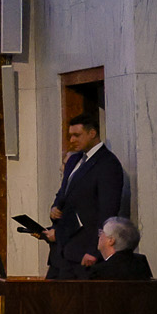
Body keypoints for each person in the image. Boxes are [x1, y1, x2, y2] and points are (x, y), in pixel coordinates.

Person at [41, 113, 125, 281]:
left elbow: (108, 211)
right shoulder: (74, 160)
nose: (71, 140)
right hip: (62, 249)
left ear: (92, 133)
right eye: (70, 135)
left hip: (84, 250)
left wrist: (95, 250)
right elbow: (64, 191)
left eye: (76, 135)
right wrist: (55, 206)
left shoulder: (107, 164)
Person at [85, 217, 153, 280]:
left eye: (102, 232)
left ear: (111, 241)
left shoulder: (98, 270)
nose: (99, 236)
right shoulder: (141, 262)